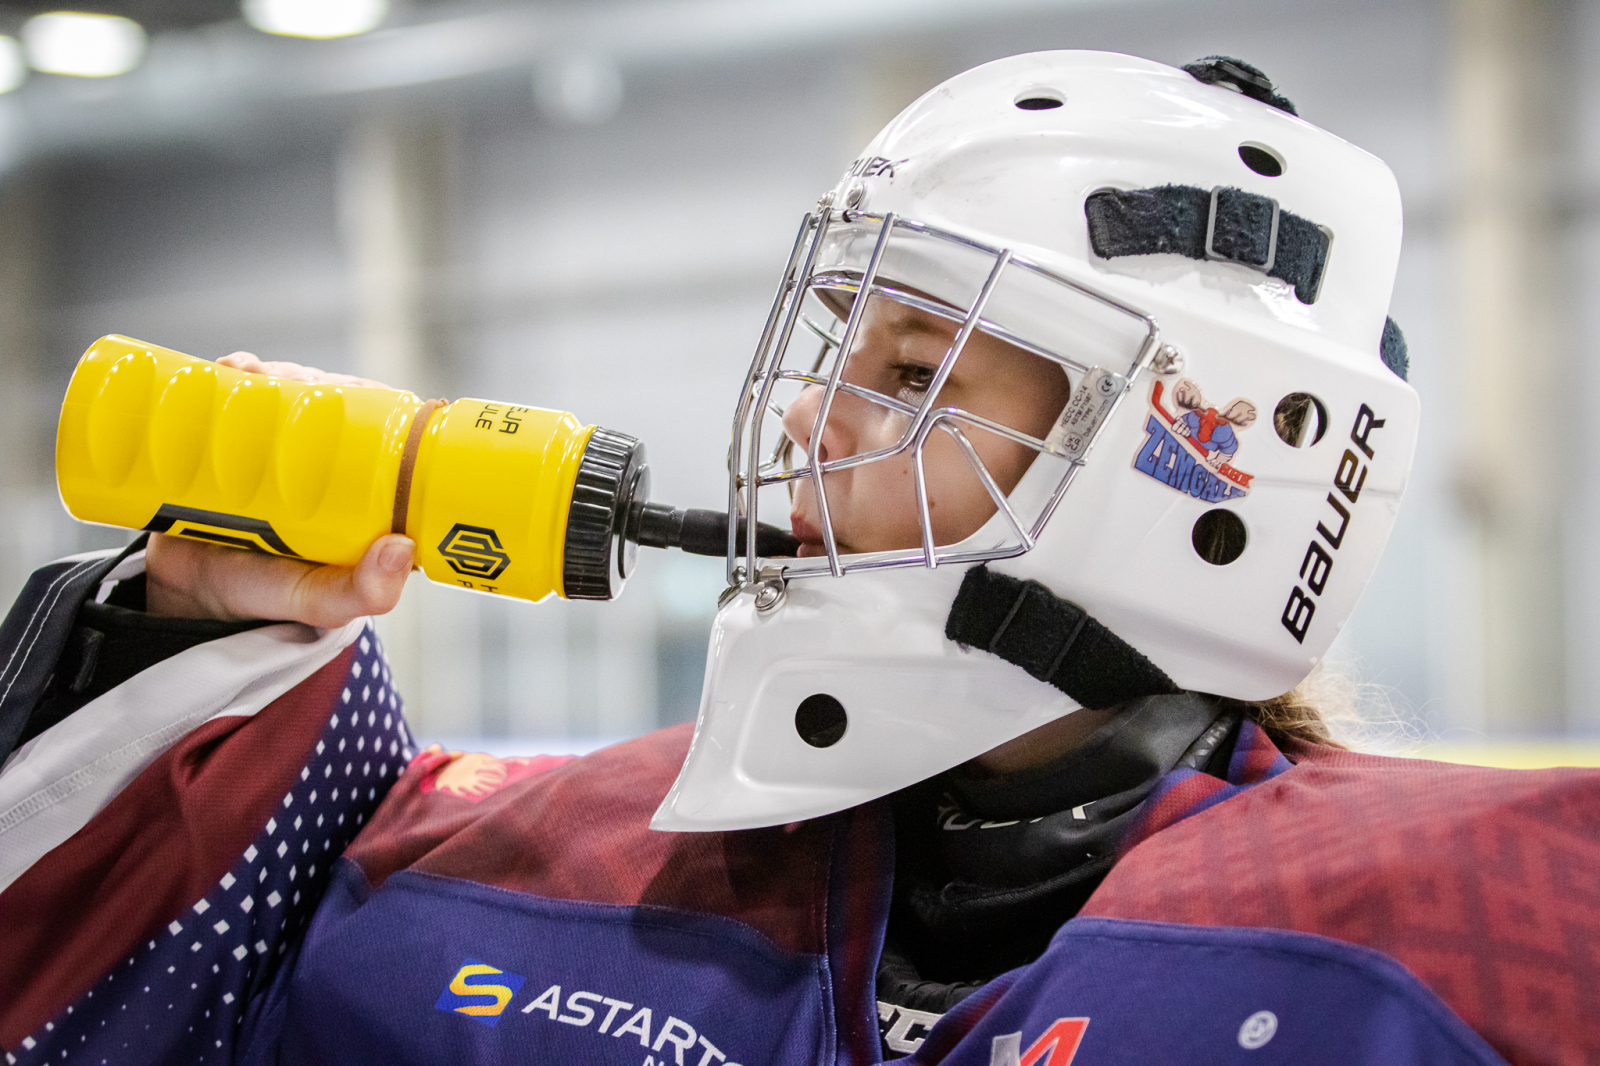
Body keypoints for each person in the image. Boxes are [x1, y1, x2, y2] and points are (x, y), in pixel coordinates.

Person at [1, 49, 1592, 1066]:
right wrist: (188, 642)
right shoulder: (529, 871)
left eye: (915, 370)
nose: (815, 418)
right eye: (842, 345)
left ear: (1198, 474)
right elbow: (143, 1003)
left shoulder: (1473, 950)